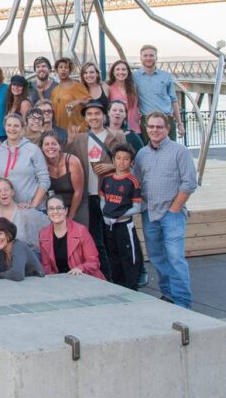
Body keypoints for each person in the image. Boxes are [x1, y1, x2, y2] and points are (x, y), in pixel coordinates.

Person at [134, 110, 198, 308]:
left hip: (172, 213)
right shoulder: (142, 154)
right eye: (151, 126)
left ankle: (182, 301)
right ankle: (168, 295)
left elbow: (189, 183)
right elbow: (137, 182)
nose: (155, 130)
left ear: (167, 129)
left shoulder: (180, 151)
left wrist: (174, 209)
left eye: (159, 127)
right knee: (157, 257)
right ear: (146, 128)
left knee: (175, 258)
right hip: (149, 213)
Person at [69, 99, 126, 278]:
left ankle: (122, 277)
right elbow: (68, 161)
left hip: (110, 195)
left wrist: (111, 167)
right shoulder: (79, 139)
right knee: (96, 240)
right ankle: (105, 277)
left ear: (104, 115)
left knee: (115, 239)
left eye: (97, 113)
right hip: (89, 196)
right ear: (85, 118)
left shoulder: (116, 137)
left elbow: (128, 164)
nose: (94, 117)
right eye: (90, 114)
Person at [100, 145, 144, 289]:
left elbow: (136, 208)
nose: (121, 162)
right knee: (112, 256)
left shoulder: (132, 181)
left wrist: (117, 216)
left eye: (126, 159)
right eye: (118, 158)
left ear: (131, 161)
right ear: (113, 160)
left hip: (124, 226)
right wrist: (106, 214)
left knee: (129, 257)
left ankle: (132, 287)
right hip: (109, 225)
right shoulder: (107, 180)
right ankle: (118, 287)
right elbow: (103, 200)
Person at [0, 113, 49, 210]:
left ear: (22, 128)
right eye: (9, 125)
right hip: (7, 209)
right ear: (4, 127)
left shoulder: (33, 150)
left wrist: (32, 205)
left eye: (16, 126)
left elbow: (44, 180)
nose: (12, 129)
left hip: (32, 209)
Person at [39, 195, 106, 278]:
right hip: (61, 282)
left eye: (59, 208)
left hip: (85, 279)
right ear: (47, 212)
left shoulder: (81, 231)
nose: (55, 211)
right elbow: (47, 266)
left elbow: (94, 262)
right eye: (51, 208)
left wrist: (80, 268)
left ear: (66, 211)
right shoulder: (43, 234)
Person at [135, 45, 185, 141]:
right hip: (147, 121)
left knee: (170, 151)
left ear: (156, 57)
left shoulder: (166, 76)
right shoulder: (135, 77)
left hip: (167, 119)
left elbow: (173, 100)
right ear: (141, 58)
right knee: (149, 152)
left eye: (151, 55)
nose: (148, 58)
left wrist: (180, 123)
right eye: (145, 56)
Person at [41, 130, 87, 225]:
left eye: (54, 143)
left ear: (60, 146)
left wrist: (70, 216)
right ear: (42, 147)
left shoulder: (72, 161)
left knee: (77, 232)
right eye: (46, 144)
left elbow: (78, 192)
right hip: (55, 206)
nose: (50, 147)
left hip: (76, 202)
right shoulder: (41, 165)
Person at [51, 57, 89, 136]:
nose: (63, 70)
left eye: (66, 67)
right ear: (56, 70)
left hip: (77, 130)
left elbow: (90, 101)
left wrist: (78, 101)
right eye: (60, 67)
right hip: (60, 131)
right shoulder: (55, 90)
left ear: (70, 70)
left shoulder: (77, 85)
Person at [107, 59, 141, 133]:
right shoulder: (109, 88)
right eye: (118, 69)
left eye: (123, 69)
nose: (121, 72)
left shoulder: (133, 87)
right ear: (113, 72)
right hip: (117, 129)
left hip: (134, 128)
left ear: (128, 72)